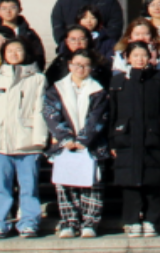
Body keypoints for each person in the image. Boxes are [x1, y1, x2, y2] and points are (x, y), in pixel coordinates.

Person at [0, 38, 49, 239]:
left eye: (18, 50)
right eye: (10, 50)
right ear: (3, 54)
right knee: (0, 186)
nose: (14, 54)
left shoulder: (37, 78)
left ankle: (29, 221)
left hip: (27, 142)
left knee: (29, 186)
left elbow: (40, 110)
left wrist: (39, 139)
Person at [110, 40, 160, 238]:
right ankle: (132, 220)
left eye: (143, 55)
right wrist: (112, 140)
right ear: (127, 58)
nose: (140, 59)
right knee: (129, 184)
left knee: (152, 182)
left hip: (152, 138)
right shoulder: (118, 83)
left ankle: (151, 219)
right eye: (135, 56)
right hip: (126, 139)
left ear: (150, 57)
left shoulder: (159, 81)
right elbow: (112, 114)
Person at [43, 46, 110, 238]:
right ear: (69, 65)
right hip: (65, 145)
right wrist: (66, 138)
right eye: (77, 64)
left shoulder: (98, 90)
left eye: (86, 65)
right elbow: (51, 114)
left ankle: (90, 222)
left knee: (92, 184)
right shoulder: (56, 89)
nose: (81, 69)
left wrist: (84, 139)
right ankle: (69, 222)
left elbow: (98, 117)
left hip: (92, 145)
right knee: (65, 185)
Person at [0, 0, 46, 68]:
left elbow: (39, 56)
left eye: (12, 8)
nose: (8, 11)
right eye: (4, 8)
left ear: (20, 10)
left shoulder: (29, 34)